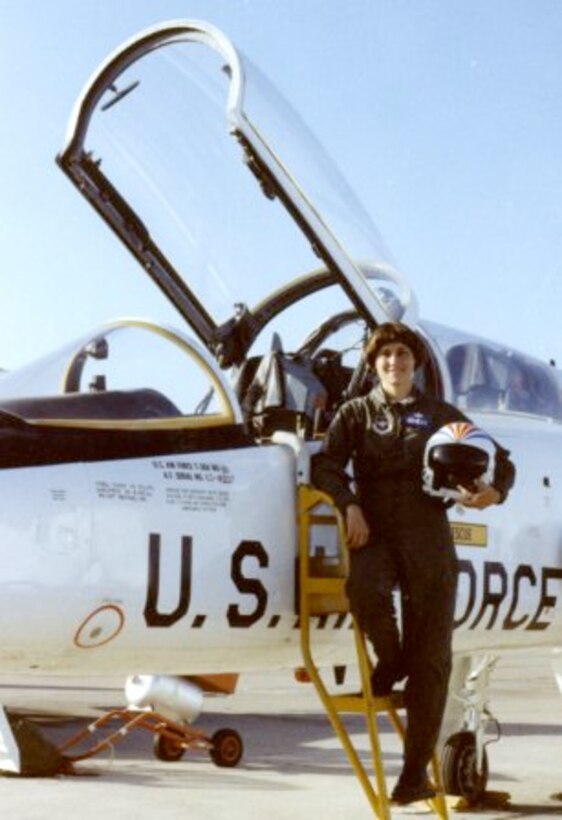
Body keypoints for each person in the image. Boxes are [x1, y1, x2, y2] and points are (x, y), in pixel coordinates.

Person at [311, 322, 515, 805]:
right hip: (376, 529)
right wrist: (348, 504)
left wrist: (493, 492)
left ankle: (413, 776)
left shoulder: (440, 415)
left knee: (433, 662)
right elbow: (326, 464)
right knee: (363, 588)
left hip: (428, 536)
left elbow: (500, 459)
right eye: (385, 356)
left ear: (415, 362)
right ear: (372, 362)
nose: (394, 363)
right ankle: (391, 656)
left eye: (402, 355)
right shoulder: (356, 414)